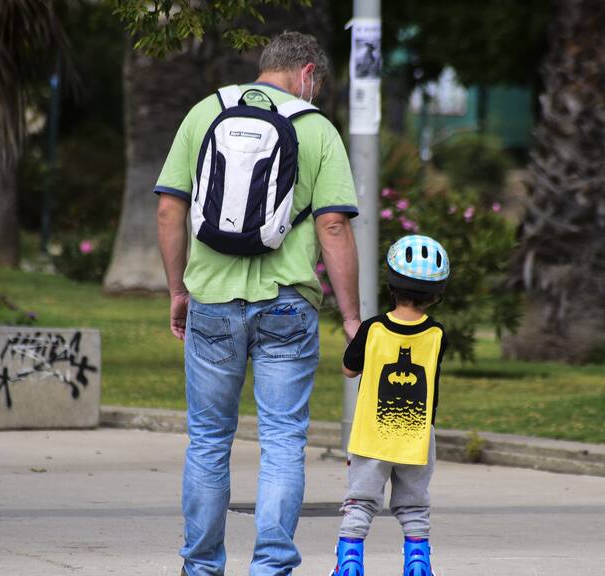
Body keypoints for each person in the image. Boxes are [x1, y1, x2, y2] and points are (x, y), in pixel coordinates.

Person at [154, 32, 361, 576]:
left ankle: (200, 568)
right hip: (288, 307)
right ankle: (270, 569)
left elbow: (169, 212)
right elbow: (334, 225)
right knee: (283, 441)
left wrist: (179, 290)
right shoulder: (317, 130)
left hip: (213, 302)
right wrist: (353, 316)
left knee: (207, 441)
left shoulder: (204, 114)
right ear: (308, 74)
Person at [332, 235, 450, 576]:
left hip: (373, 436)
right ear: (436, 293)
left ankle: (350, 564)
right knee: (415, 504)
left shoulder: (373, 329)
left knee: (360, 502)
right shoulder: (438, 334)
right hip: (417, 435)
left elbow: (348, 368)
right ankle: (417, 564)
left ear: (392, 284)